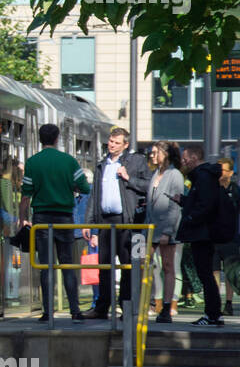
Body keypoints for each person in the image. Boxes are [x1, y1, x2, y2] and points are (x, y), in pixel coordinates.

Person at [19, 123, 90, 322]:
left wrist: (22, 218)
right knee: (67, 264)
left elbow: (26, 195)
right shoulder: (69, 161)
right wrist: (70, 186)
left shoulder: (33, 162)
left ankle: (47, 312)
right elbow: (84, 188)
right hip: (65, 219)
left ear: (40, 139)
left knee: (46, 265)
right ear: (57, 138)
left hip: (41, 219)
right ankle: (75, 311)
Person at [85, 127, 152, 319]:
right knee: (104, 265)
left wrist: (128, 178)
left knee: (128, 265)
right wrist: (90, 223)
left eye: (116, 142)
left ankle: (127, 306)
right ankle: (102, 306)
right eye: (110, 141)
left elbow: (148, 185)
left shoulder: (135, 161)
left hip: (128, 221)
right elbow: (94, 195)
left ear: (125, 144)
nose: (111, 145)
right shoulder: (102, 164)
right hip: (106, 221)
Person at [175, 144, 234, 327]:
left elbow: (206, 205)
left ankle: (212, 314)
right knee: (206, 273)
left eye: (185, 159)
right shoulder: (204, 177)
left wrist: (191, 218)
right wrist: (184, 201)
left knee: (205, 274)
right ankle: (213, 314)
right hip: (203, 231)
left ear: (194, 158)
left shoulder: (203, 177)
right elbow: (203, 202)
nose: (183, 162)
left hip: (203, 233)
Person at [147, 142, 185, 323]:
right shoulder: (156, 174)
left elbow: (175, 205)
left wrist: (168, 231)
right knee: (147, 265)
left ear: (166, 154)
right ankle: (151, 301)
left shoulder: (174, 174)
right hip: (151, 227)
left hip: (165, 228)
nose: (152, 155)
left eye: (155, 152)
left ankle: (167, 306)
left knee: (168, 267)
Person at [216, 157, 240, 316]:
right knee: (214, 272)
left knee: (229, 272)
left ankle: (228, 303)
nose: (219, 173)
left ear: (230, 172)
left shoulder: (237, 190)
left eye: (222, 170)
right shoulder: (211, 188)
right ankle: (215, 302)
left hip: (231, 238)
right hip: (213, 237)